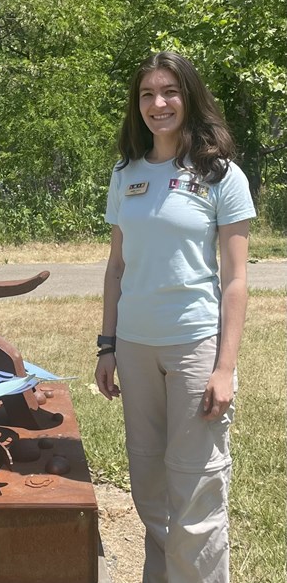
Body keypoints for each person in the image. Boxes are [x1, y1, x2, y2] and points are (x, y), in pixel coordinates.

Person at [95, 51, 256, 583]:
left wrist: (224, 368)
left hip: (194, 347)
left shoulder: (221, 176)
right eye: (147, 94)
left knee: (197, 488)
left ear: (188, 97)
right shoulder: (127, 173)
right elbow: (116, 268)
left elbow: (235, 279)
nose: (157, 103)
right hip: (137, 350)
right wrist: (108, 346)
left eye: (169, 92)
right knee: (150, 489)